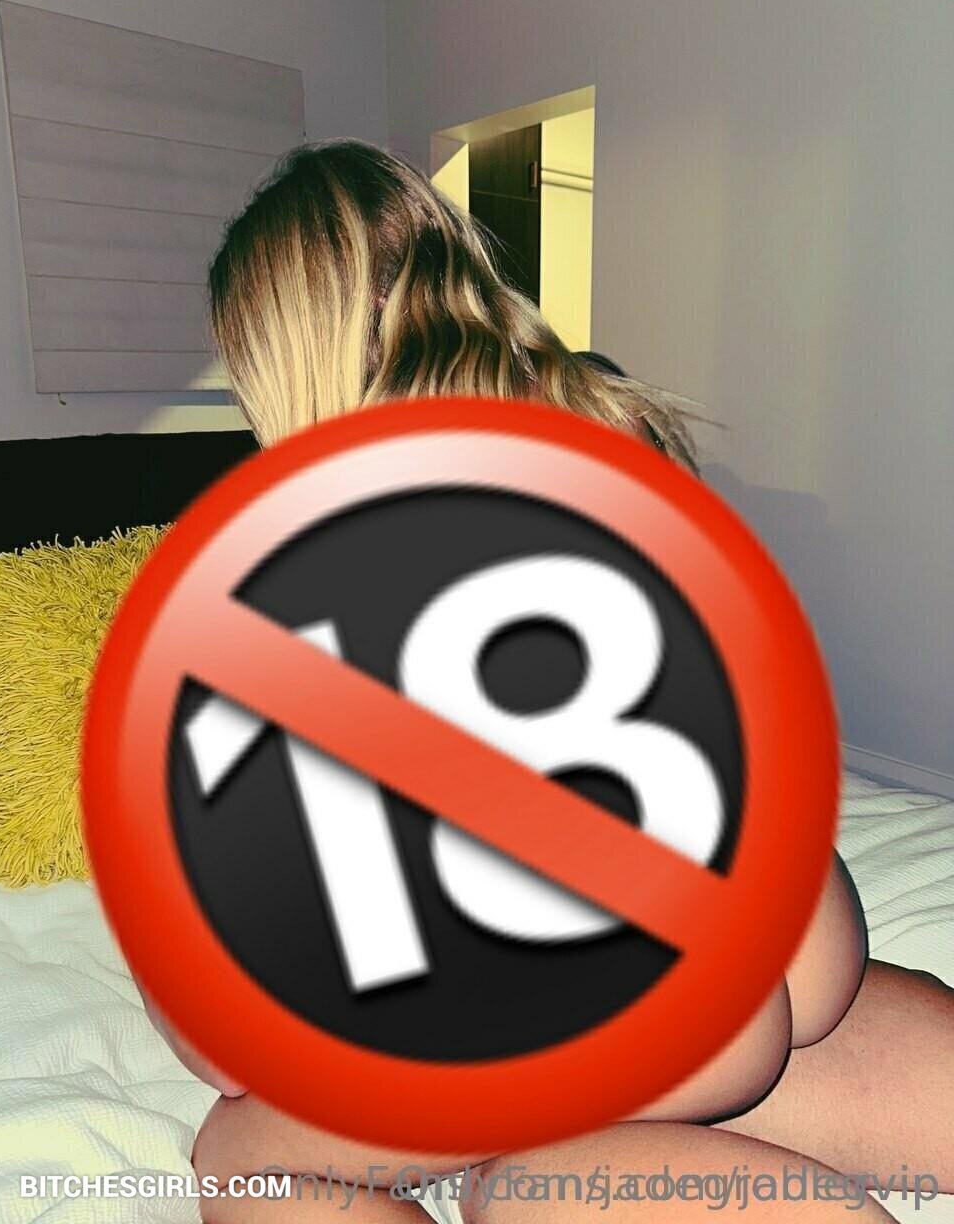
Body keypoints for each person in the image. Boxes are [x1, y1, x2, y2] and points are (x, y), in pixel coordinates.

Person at [143, 140, 952, 1221]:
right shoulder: (605, 420)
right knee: (535, 1165)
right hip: (800, 929)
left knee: (240, 1155)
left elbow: (224, 1043)